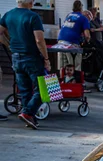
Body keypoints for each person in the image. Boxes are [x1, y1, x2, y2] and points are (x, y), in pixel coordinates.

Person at [0, 0, 51, 128]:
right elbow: (39, 40)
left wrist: (9, 44)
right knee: (43, 89)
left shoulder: (8, 15)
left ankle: (30, 119)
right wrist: (46, 59)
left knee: (25, 90)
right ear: (30, 2)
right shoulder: (33, 17)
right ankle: (28, 113)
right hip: (32, 58)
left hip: (16, 58)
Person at [56, 0, 90, 70]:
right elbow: (87, 35)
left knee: (62, 67)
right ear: (81, 8)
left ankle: (62, 79)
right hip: (72, 43)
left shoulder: (68, 15)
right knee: (74, 66)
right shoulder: (84, 19)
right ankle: (75, 79)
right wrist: (87, 41)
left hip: (60, 42)